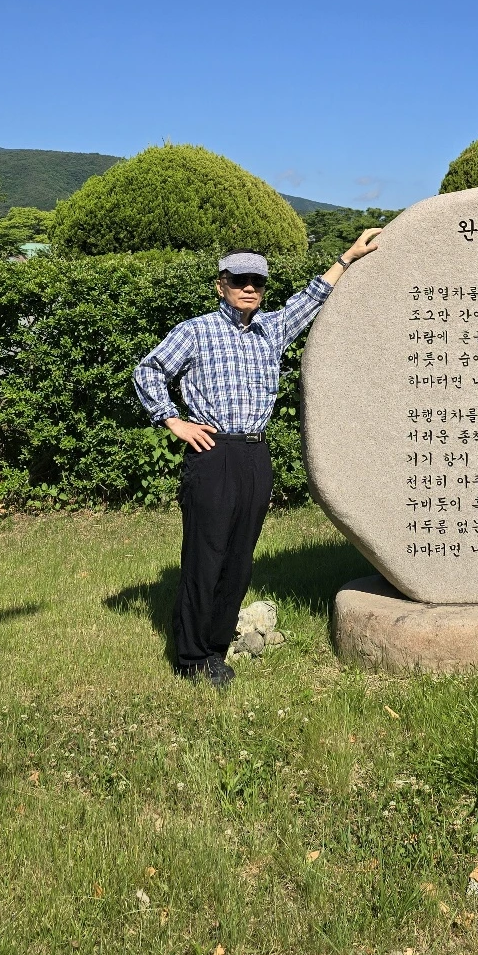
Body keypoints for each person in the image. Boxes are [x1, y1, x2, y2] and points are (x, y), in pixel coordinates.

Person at [133, 229, 380, 685]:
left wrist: (348, 256)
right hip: (213, 453)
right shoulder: (196, 331)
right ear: (221, 285)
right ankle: (191, 657)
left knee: (240, 558)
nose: (249, 288)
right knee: (206, 557)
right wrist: (173, 421)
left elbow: (313, 296)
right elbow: (148, 370)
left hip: (255, 454)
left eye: (257, 282)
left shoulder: (273, 329)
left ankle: (215, 648)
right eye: (239, 280)